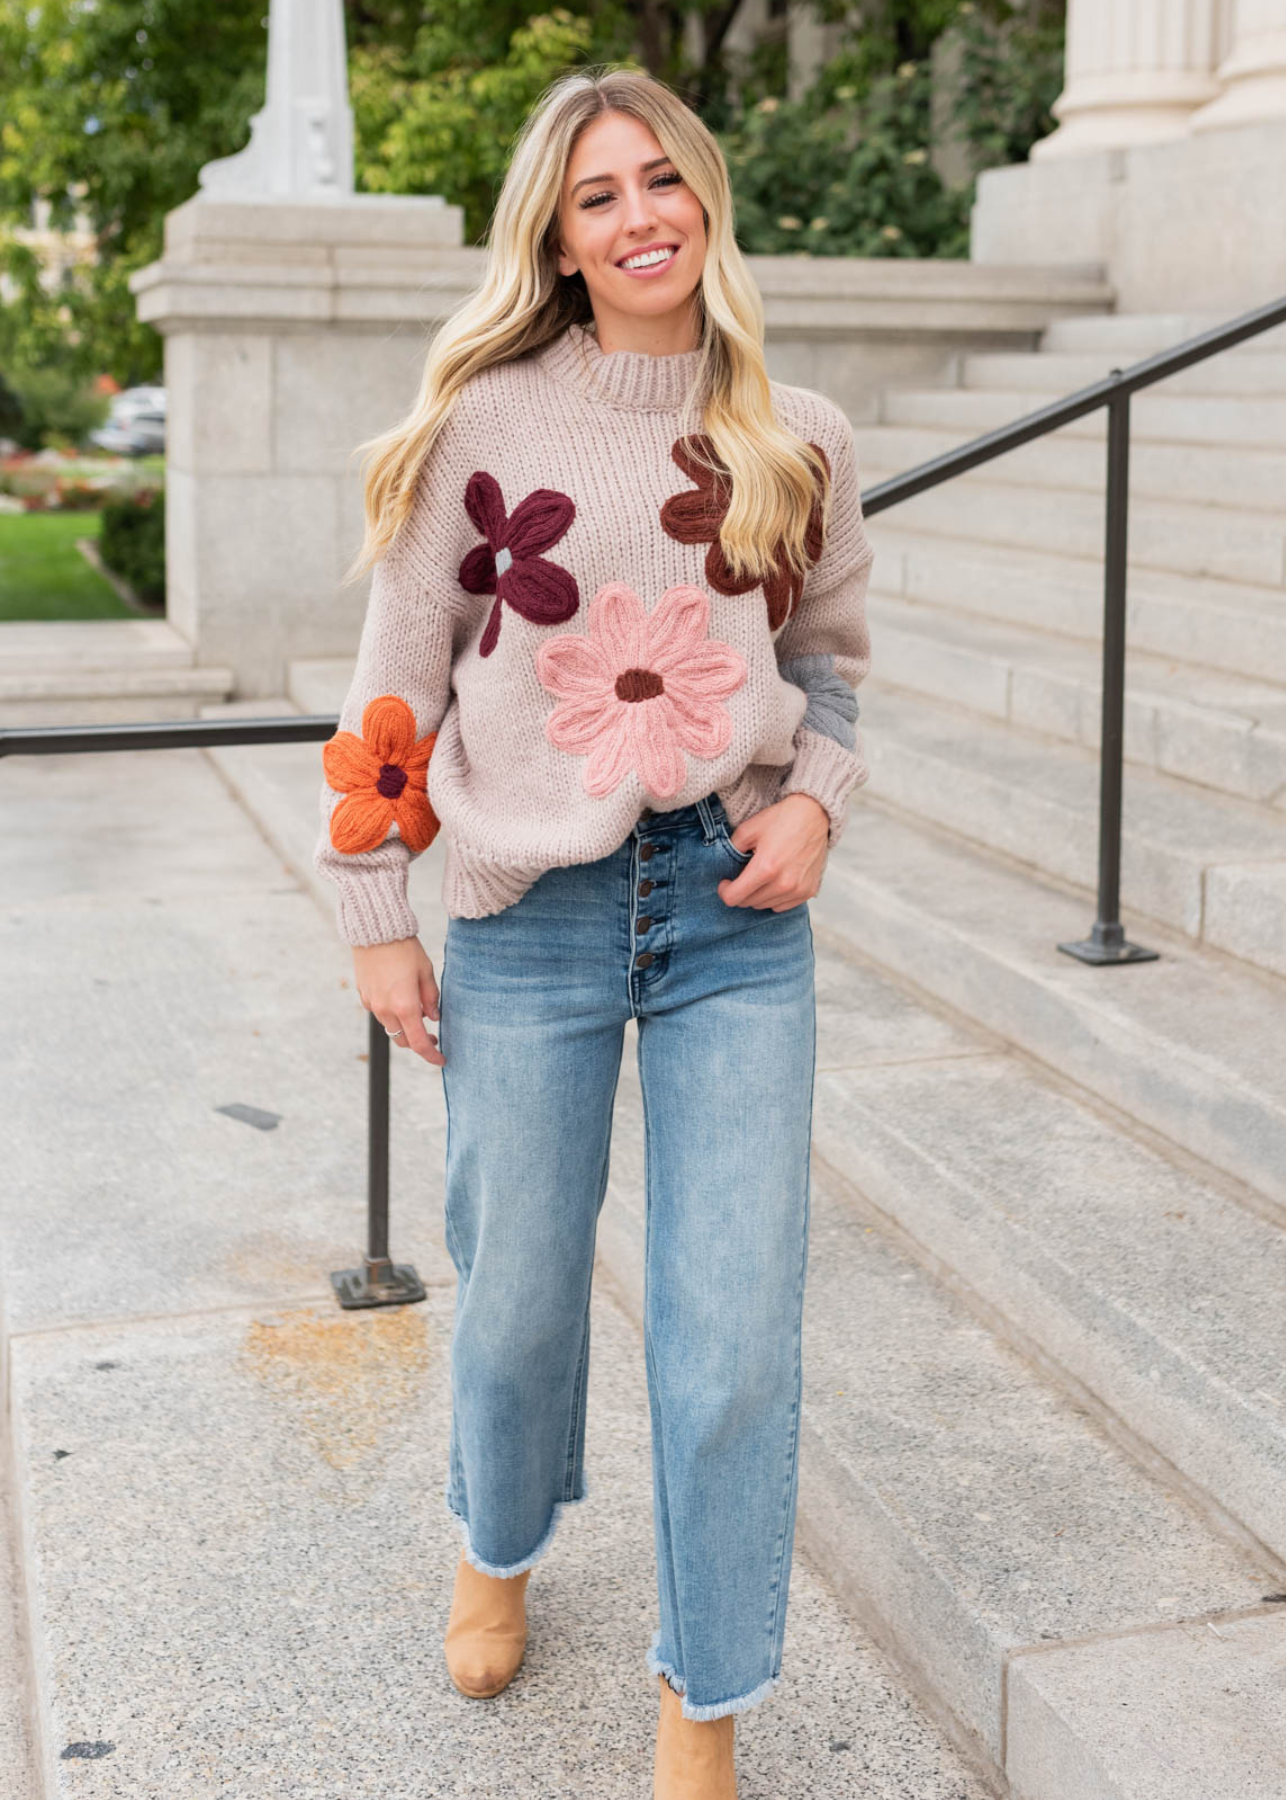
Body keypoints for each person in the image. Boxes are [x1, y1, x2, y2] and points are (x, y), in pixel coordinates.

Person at [313, 63, 874, 1800]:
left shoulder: (795, 435)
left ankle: (701, 1695)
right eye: (596, 197)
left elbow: (832, 662)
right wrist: (373, 919)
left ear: (703, 196)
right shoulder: (485, 423)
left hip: (728, 907)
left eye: (660, 182)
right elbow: (393, 689)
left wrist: (813, 801)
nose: (639, 219)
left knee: (729, 1332)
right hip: (524, 912)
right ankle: (499, 1542)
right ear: (554, 240)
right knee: (521, 1299)